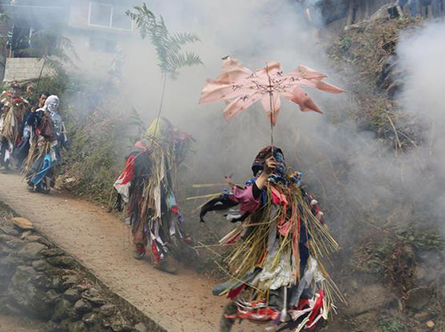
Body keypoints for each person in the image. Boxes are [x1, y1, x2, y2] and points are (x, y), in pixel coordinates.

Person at [200, 146, 339, 332]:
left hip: (301, 256)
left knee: (313, 309)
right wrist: (265, 174)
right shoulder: (261, 186)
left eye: (279, 159)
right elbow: (248, 200)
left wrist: (320, 224)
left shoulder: (295, 189)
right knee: (273, 310)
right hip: (277, 257)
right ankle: (232, 312)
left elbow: (312, 212)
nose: (277, 162)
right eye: (272, 159)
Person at [113, 118, 193, 273]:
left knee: (143, 220)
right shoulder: (148, 150)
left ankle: (140, 248)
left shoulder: (149, 147)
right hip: (150, 195)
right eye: (167, 132)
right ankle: (160, 259)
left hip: (150, 194)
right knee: (155, 224)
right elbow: (136, 172)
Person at [24, 95, 67, 193]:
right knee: (45, 162)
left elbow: (62, 130)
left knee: (49, 164)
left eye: (56, 103)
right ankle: (33, 180)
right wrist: (32, 113)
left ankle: (40, 184)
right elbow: (30, 122)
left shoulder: (58, 116)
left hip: (54, 144)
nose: (54, 105)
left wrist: (65, 142)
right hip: (43, 143)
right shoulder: (40, 112)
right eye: (52, 102)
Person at [0, 82, 30, 172]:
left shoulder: (23, 103)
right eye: (13, 89)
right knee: (4, 144)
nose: (15, 91)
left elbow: (26, 116)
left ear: (20, 91)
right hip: (4, 127)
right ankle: (4, 164)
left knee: (13, 146)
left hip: (17, 128)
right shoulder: (4, 100)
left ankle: (9, 162)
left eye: (17, 90)